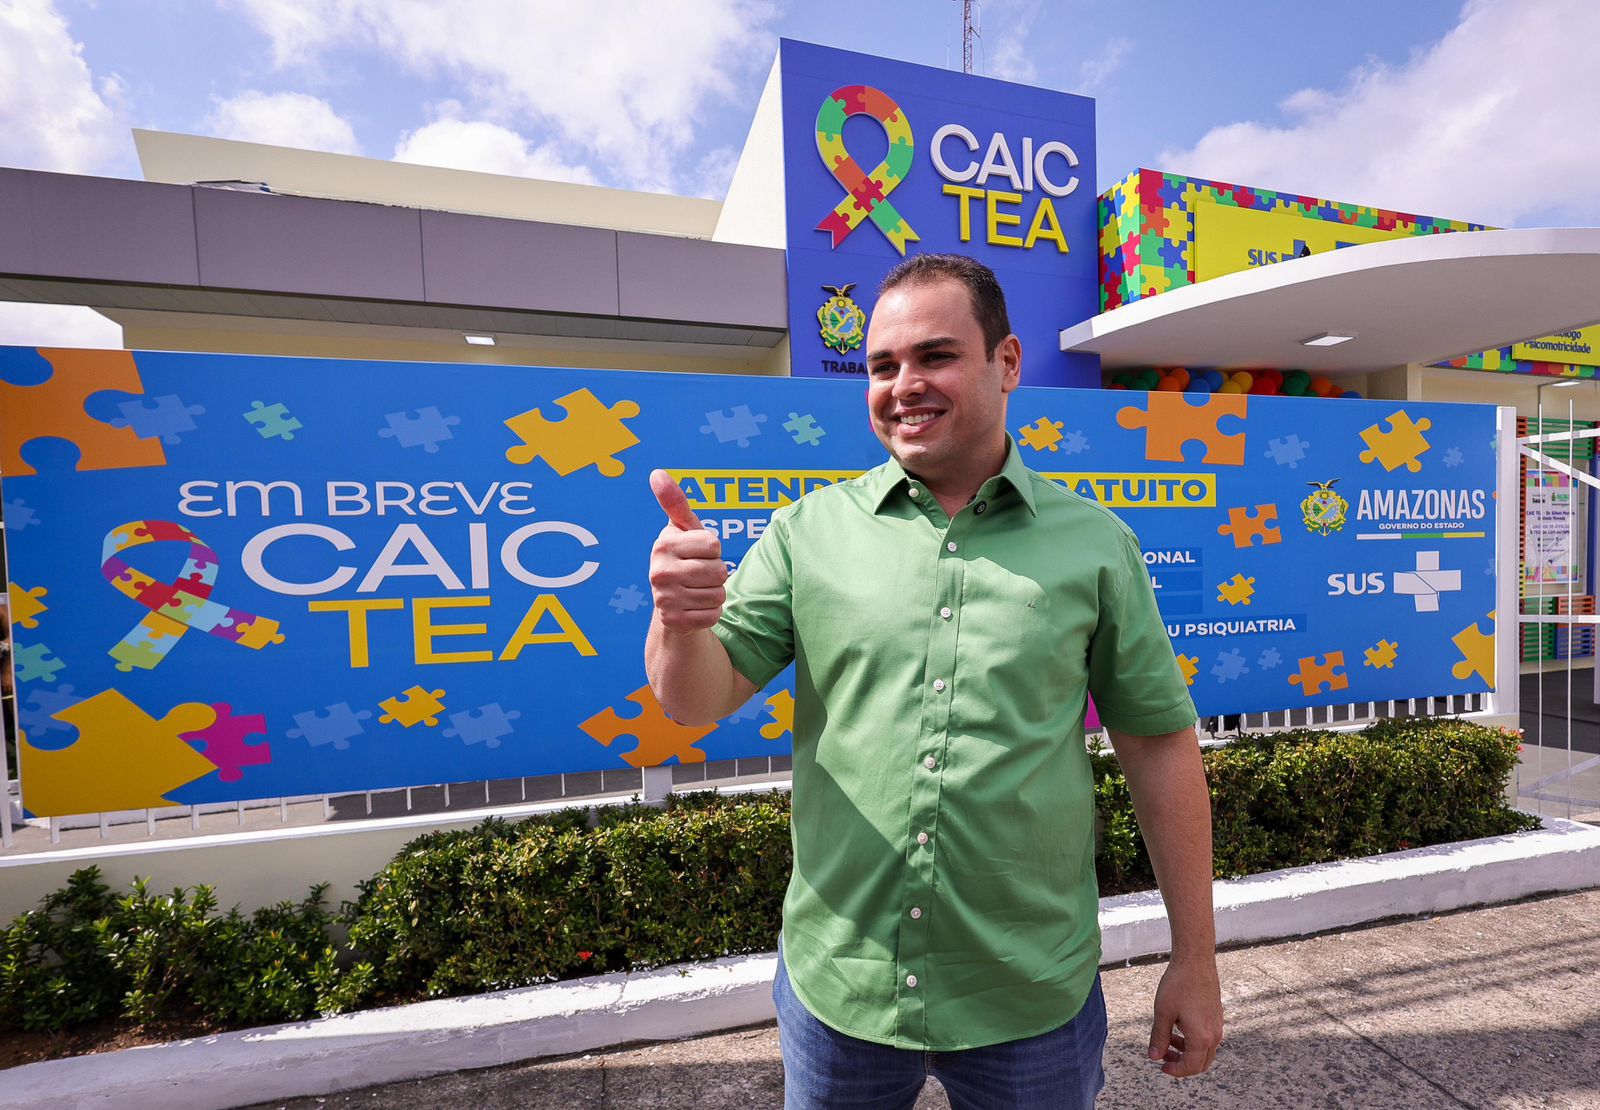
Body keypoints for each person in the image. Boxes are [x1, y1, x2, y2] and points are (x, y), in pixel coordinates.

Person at [645, 253, 1223, 1108]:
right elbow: (693, 700)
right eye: (883, 366)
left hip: (1031, 993)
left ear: (1007, 362)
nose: (903, 385)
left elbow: (1159, 747)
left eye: (935, 356)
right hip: (841, 989)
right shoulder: (808, 533)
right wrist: (680, 621)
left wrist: (1196, 958)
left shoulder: (1097, 545)